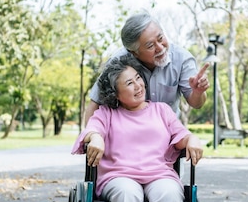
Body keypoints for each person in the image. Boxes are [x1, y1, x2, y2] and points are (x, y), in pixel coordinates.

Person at [72, 54, 204, 202]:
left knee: (169, 192)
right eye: (129, 83)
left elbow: (181, 134)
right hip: (119, 176)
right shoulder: (107, 113)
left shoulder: (162, 110)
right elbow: (91, 129)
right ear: (115, 93)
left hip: (158, 174)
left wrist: (192, 139)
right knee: (127, 193)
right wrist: (97, 138)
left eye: (138, 79)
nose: (138, 85)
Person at [83, 11, 211, 124]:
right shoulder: (117, 62)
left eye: (160, 38)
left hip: (166, 133)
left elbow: (197, 104)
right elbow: (96, 102)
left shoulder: (182, 59)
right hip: (126, 135)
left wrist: (198, 92)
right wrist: (91, 139)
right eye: (150, 46)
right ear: (134, 52)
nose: (160, 48)